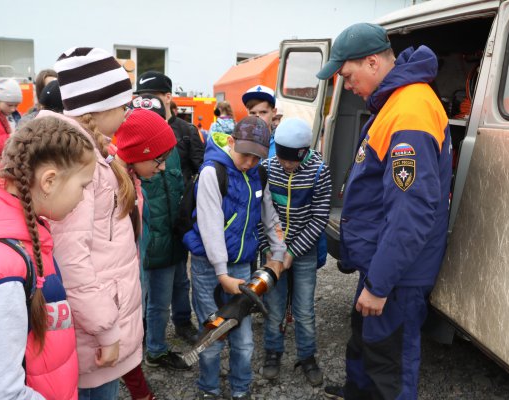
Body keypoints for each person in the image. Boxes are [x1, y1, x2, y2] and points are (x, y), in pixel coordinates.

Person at [315, 23, 452, 399]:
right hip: (382, 264)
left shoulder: (411, 111)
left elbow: (412, 212)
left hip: (397, 275)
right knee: (364, 343)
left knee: (389, 363)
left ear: (372, 62)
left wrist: (379, 285)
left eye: (347, 75)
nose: (346, 85)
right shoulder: (395, 102)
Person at [0, 116, 96, 399]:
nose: (82, 198)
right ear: (49, 180)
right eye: (83, 186)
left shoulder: (14, 235)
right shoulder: (6, 268)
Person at [47, 46, 144, 400]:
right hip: (94, 330)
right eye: (123, 105)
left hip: (101, 316)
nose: (126, 113)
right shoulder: (79, 164)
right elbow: (71, 260)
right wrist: (106, 332)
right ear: (100, 108)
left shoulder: (95, 153)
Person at [182, 116, 287, 400]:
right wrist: (221, 273)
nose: (251, 162)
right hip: (208, 270)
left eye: (258, 157)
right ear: (230, 142)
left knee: (243, 340)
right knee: (213, 334)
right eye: (246, 155)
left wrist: (279, 253)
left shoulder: (258, 175)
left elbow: (270, 216)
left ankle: (241, 389)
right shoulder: (212, 173)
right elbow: (210, 226)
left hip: (242, 265)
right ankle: (209, 388)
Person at [259, 118, 332, 387]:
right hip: (273, 252)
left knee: (304, 310)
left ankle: (307, 356)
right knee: (274, 307)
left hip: (304, 250)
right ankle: (272, 352)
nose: (285, 165)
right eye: (281, 157)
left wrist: (293, 252)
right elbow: (260, 214)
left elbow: (319, 217)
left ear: (304, 152)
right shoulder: (267, 168)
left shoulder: (319, 171)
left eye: (291, 160)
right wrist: (270, 250)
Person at [125, 98, 197, 369]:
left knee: (181, 285)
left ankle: (180, 324)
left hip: (176, 235)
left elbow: (179, 184)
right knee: (157, 300)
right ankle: (154, 349)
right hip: (155, 241)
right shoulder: (133, 166)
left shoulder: (172, 151)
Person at [114, 108, 179, 400]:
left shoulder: (131, 181)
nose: (163, 167)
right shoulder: (113, 188)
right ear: (139, 152)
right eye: (159, 160)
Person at [135, 71, 205, 184]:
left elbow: (201, 170)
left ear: (168, 97)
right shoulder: (133, 130)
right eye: (141, 97)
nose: (146, 101)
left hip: (180, 199)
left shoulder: (187, 131)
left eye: (151, 96)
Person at [242, 85, 278, 159]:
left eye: (263, 112)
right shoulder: (239, 140)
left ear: (274, 112)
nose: (257, 117)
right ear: (247, 113)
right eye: (252, 113)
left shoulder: (281, 142)